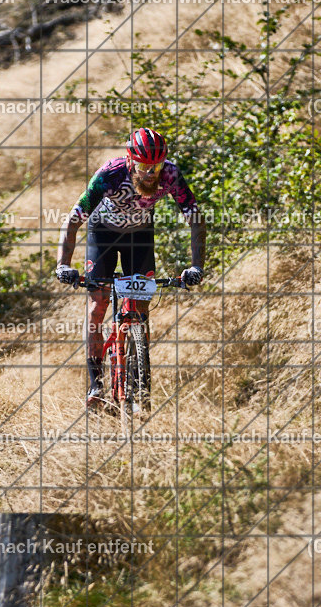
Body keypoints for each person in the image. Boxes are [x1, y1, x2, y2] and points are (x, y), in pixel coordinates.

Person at [55, 127, 207, 406]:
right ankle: (96, 384)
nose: (151, 173)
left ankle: (139, 378)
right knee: (97, 304)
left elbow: (196, 219)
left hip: (140, 235)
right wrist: (63, 265)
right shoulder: (109, 174)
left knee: (140, 306)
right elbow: (73, 220)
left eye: (156, 166)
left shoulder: (171, 175)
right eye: (144, 166)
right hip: (104, 234)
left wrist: (196, 266)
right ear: (130, 161)